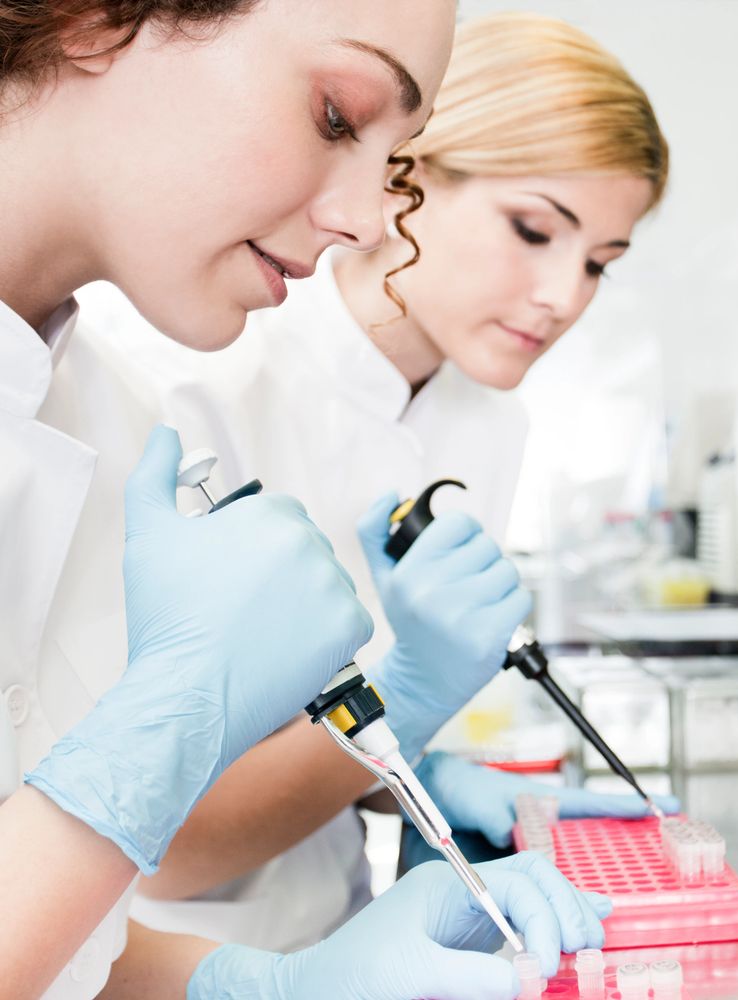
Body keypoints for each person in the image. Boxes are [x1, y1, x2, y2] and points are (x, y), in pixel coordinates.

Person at [0, 3, 607, 998]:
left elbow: (68, 949)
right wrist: (168, 734)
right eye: (336, 115)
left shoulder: (105, 411)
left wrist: (274, 984)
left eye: (390, 156)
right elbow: (145, 847)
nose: (373, 221)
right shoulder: (183, 402)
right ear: (93, 17)